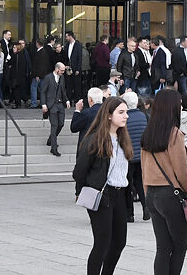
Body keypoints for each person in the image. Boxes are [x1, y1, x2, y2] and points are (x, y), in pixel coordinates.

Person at [142, 89, 187, 275]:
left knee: (162, 248)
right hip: (171, 195)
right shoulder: (174, 134)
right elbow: (182, 173)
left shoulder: (148, 133)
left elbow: (144, 169)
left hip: (152, 193)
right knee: (179, 246)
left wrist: (147, 195)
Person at [72, 97, 133, 275]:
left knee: (119, 242)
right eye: (121, 112)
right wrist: (83, 189)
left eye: (126, 112)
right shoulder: (95, 139)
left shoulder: (123, 139)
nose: (126, 116)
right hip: (101, 195)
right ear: (108, 115)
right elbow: (79, 171)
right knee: (102, 243)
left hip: (120, 195)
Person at [123, 91, 148, 223]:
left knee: (128, 185)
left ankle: (130, 214)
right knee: (140, 183)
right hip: (142, 155)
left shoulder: (125, 118)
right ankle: (146, 208)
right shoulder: (144, 116)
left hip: (129, 156)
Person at [42, 62, 68, 157]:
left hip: (60, 103)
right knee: (54, 125)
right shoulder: (48, 78)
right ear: (57, 69)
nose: (62, 72)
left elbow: (63, 90)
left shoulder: (62, 78)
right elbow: (43, 91)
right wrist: (44, 104)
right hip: (51, 105)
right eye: (61, 70)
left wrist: (67, 100)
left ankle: (50, 139)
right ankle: (54, 148)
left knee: (61, 124)